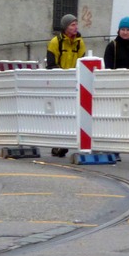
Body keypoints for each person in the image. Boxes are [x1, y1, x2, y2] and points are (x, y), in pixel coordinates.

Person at [46, 14, 85, 156]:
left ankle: (64, 143)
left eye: (76, 24)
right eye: (72, 25)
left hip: (75, 83)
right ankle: (58, 144)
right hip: (60, 83)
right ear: (65, 27)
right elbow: (51, 65)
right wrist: (63, 76)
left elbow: (82, 62)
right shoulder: (55, 43)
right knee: (59, 116)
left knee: (72, 115)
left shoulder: (80, 43)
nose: (75, 27)